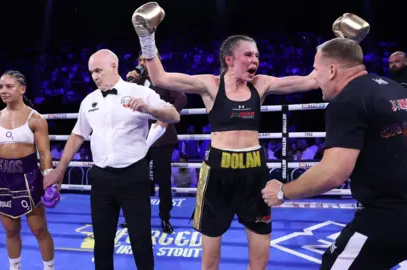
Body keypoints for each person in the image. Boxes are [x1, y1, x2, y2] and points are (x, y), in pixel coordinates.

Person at [132, 3, 319, 269]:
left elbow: (311, 81)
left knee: (260, 257)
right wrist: (146, 38)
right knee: (210, 259)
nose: (255, 60)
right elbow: (159, 77)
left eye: (256, 55)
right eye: (248, 55)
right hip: (218, 171)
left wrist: (342, 45)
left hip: (255, 171)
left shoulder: (262, 84)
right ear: (230, 59)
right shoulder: (210, 84)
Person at [262, 37, 407, 269]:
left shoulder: (347, 100)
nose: (314, 77)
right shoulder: (395, 89)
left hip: (391, 216)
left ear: (331, 70)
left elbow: (333, 173)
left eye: (315, 69)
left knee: (334, 265)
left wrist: (282, 191)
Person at [42, 49, 180, 270]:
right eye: (91, 72)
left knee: (140, 239)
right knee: (102, 241)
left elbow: (174, 115)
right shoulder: (89, 100)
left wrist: (150, 109)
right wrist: (60, 170)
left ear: (114, 66)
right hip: (101, 178)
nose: (94, 76)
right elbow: (77, 135)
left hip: (134, 175)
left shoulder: (137, 91)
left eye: (98, 70)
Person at [0, 70, 60, 270]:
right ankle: (15, 268)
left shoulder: (36, 119)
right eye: (0, 87)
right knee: (10, 230)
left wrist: (50, 182)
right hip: (3, 178)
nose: (3, 91)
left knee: (39, 229)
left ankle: (49, 268)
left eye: (9, 86)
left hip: (29, 177)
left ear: (22, 89)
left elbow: (44, 153)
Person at [122, 52, 188, 234]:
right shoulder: (133, 84)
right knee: (135, 179)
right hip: (138, 137)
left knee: (163, 180)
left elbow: (182, 98)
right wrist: (128, 82)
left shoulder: (162, 80)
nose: (143, 63)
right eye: (140, 60)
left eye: (146, 59)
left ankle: (165, 218)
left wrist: (166, 116)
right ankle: (133, 218)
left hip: (161, 136)